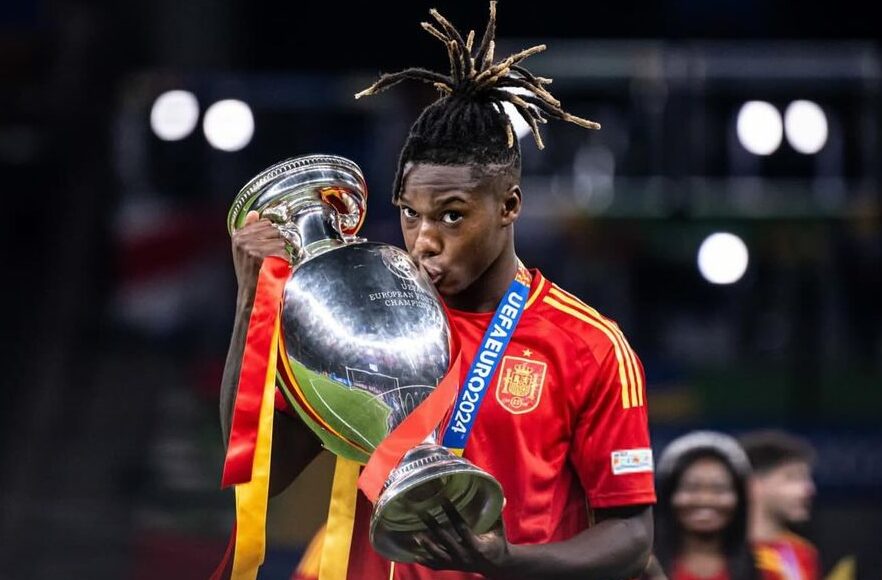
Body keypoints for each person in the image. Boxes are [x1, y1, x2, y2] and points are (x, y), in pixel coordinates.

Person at [221, 2, 656, 578]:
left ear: (509, 206)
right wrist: (250, 305)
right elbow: (260, 474)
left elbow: (631, 536)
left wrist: (509, 562)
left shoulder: (589, 345)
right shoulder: (359, 317)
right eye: (409, 214)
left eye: (451, 217)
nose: (424, 240)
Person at [651, 431, 761, 580]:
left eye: (719, 489)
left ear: (740, 498)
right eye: (691, 488)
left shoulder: (769, 567)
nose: (705, 499)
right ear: (668, 495)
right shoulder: (640, 567)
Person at [738, 430, 821, 580]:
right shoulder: (719, 553)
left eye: (807, 479)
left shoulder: (803, 552)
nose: (809, 489)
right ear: (753, 486)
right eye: (792, 478)